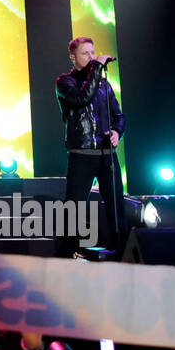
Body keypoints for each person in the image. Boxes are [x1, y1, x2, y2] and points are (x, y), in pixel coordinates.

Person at [54, 36, 125, 257]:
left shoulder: (104, 84)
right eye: (86, 54)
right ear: (73, 57)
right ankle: (69, 253)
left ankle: (122, 251)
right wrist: (96, 69)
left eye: (93, 53)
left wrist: (116, 132)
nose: (92, 58)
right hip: (82, 153)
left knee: (115, 205)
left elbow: (119, 115)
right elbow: (82, 98)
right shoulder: (65, 82)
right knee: (74, 206)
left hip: (106, 154)